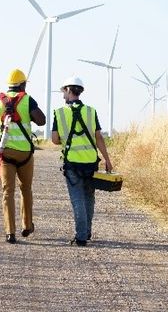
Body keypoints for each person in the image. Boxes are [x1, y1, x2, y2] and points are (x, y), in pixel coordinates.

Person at [0, 68, 47, 244]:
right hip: (25, 153)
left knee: (7, 192)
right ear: (23, 84)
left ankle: (9, 232)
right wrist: (27, 111)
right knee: (25, 189)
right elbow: (41, 120)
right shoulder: (27, 99)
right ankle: (27, 225)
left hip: (5, 154)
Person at [50, 75, 114, 246]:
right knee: (89, 198)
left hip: (72, 163)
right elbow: (99, 137)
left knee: (77, 198)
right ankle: (86, 232)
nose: (63, 94)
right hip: (91, 162)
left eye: (64, 91)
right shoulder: (91, 111)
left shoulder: (60, 113)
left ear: (69, 90)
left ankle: (81, 237)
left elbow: (55, 140)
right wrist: (107, 160)